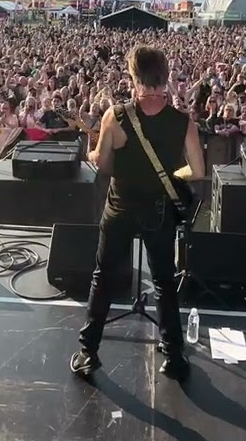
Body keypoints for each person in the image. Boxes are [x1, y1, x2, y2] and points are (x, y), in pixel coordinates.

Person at [70, 45, 205, 382]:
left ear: (133, 76)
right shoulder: (182, 122)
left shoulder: (115, 115)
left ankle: (88, 353)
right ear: (165, 77)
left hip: (120, 207)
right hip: (159, 210)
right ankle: (173, 356)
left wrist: (92, 153)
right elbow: (197, 171)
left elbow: (103, 165)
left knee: (103, 277)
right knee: (163, 282)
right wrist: (173, 176)